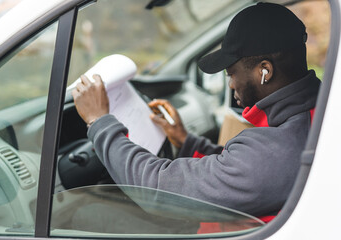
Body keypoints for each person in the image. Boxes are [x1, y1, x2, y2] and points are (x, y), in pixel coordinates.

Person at [72, 3, 320, 219]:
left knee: (87, 214)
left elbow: (156, 188)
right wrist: (186, 140)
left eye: (232, 74)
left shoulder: (275, 150)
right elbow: (240, 168)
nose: (231, 84)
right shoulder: (315, 112)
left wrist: (99, 121)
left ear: (264, 71)